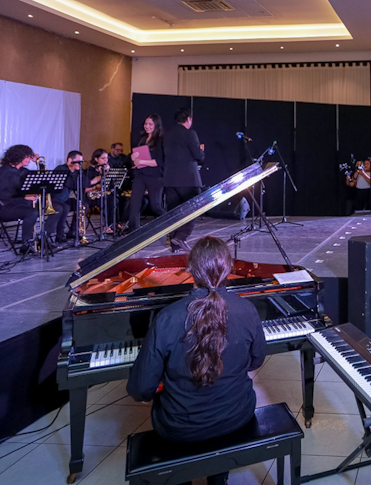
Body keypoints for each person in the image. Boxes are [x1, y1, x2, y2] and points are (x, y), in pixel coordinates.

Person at [127, 237, 266, 485]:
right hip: (237, 416)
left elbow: (140, 388)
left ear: (191, 270)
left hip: (180, 428)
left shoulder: (167, 318)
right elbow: (256, 360)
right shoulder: (247, 309)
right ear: (229, 268)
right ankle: (218, 477)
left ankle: (183, 478)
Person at [0, 144, 62, 254]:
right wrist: (23, 197)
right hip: (6, 207)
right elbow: (3, 196)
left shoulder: (23, 171)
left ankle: (44, 238)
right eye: (28, 157)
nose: (29, 159)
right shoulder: (2, 173)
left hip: (25, 204)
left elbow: (42, 179)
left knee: (57, 208)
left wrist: (38, 162)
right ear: (19, 157)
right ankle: (26, 244)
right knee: (32, 213)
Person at [163, 108, 205, 252]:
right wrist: (201, 150)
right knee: (195, 207)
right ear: (188, 119)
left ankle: (175, 245)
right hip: (188, 179)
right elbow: (198, 156)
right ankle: (181, 236)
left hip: (169, 179)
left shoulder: (167, 135)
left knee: (173, 212)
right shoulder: (190, 134)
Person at [128, 114, 166, 232]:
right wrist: (133, 157)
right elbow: (136, 157)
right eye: (145, 124)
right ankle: (133, 231)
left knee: (155, 206)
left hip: (155, 176)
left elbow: (159, 162)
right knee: (134, 204)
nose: (147, 126)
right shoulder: (142, 139)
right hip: (140, 174)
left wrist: (142, 161)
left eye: (150, 124)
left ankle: (171, 224)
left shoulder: (161, 140)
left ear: (156, 125)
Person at [51, 150, 85, 243]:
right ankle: (58, 235)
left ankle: (73, 231)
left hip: (64, 199)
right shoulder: (61, 169)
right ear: (70, 160)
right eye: (78, 162)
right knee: (64, 208)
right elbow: (70, 184)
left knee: (82, 204)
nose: (80, 164)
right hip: (55, 199)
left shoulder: (76, 172)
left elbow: (85, 182)